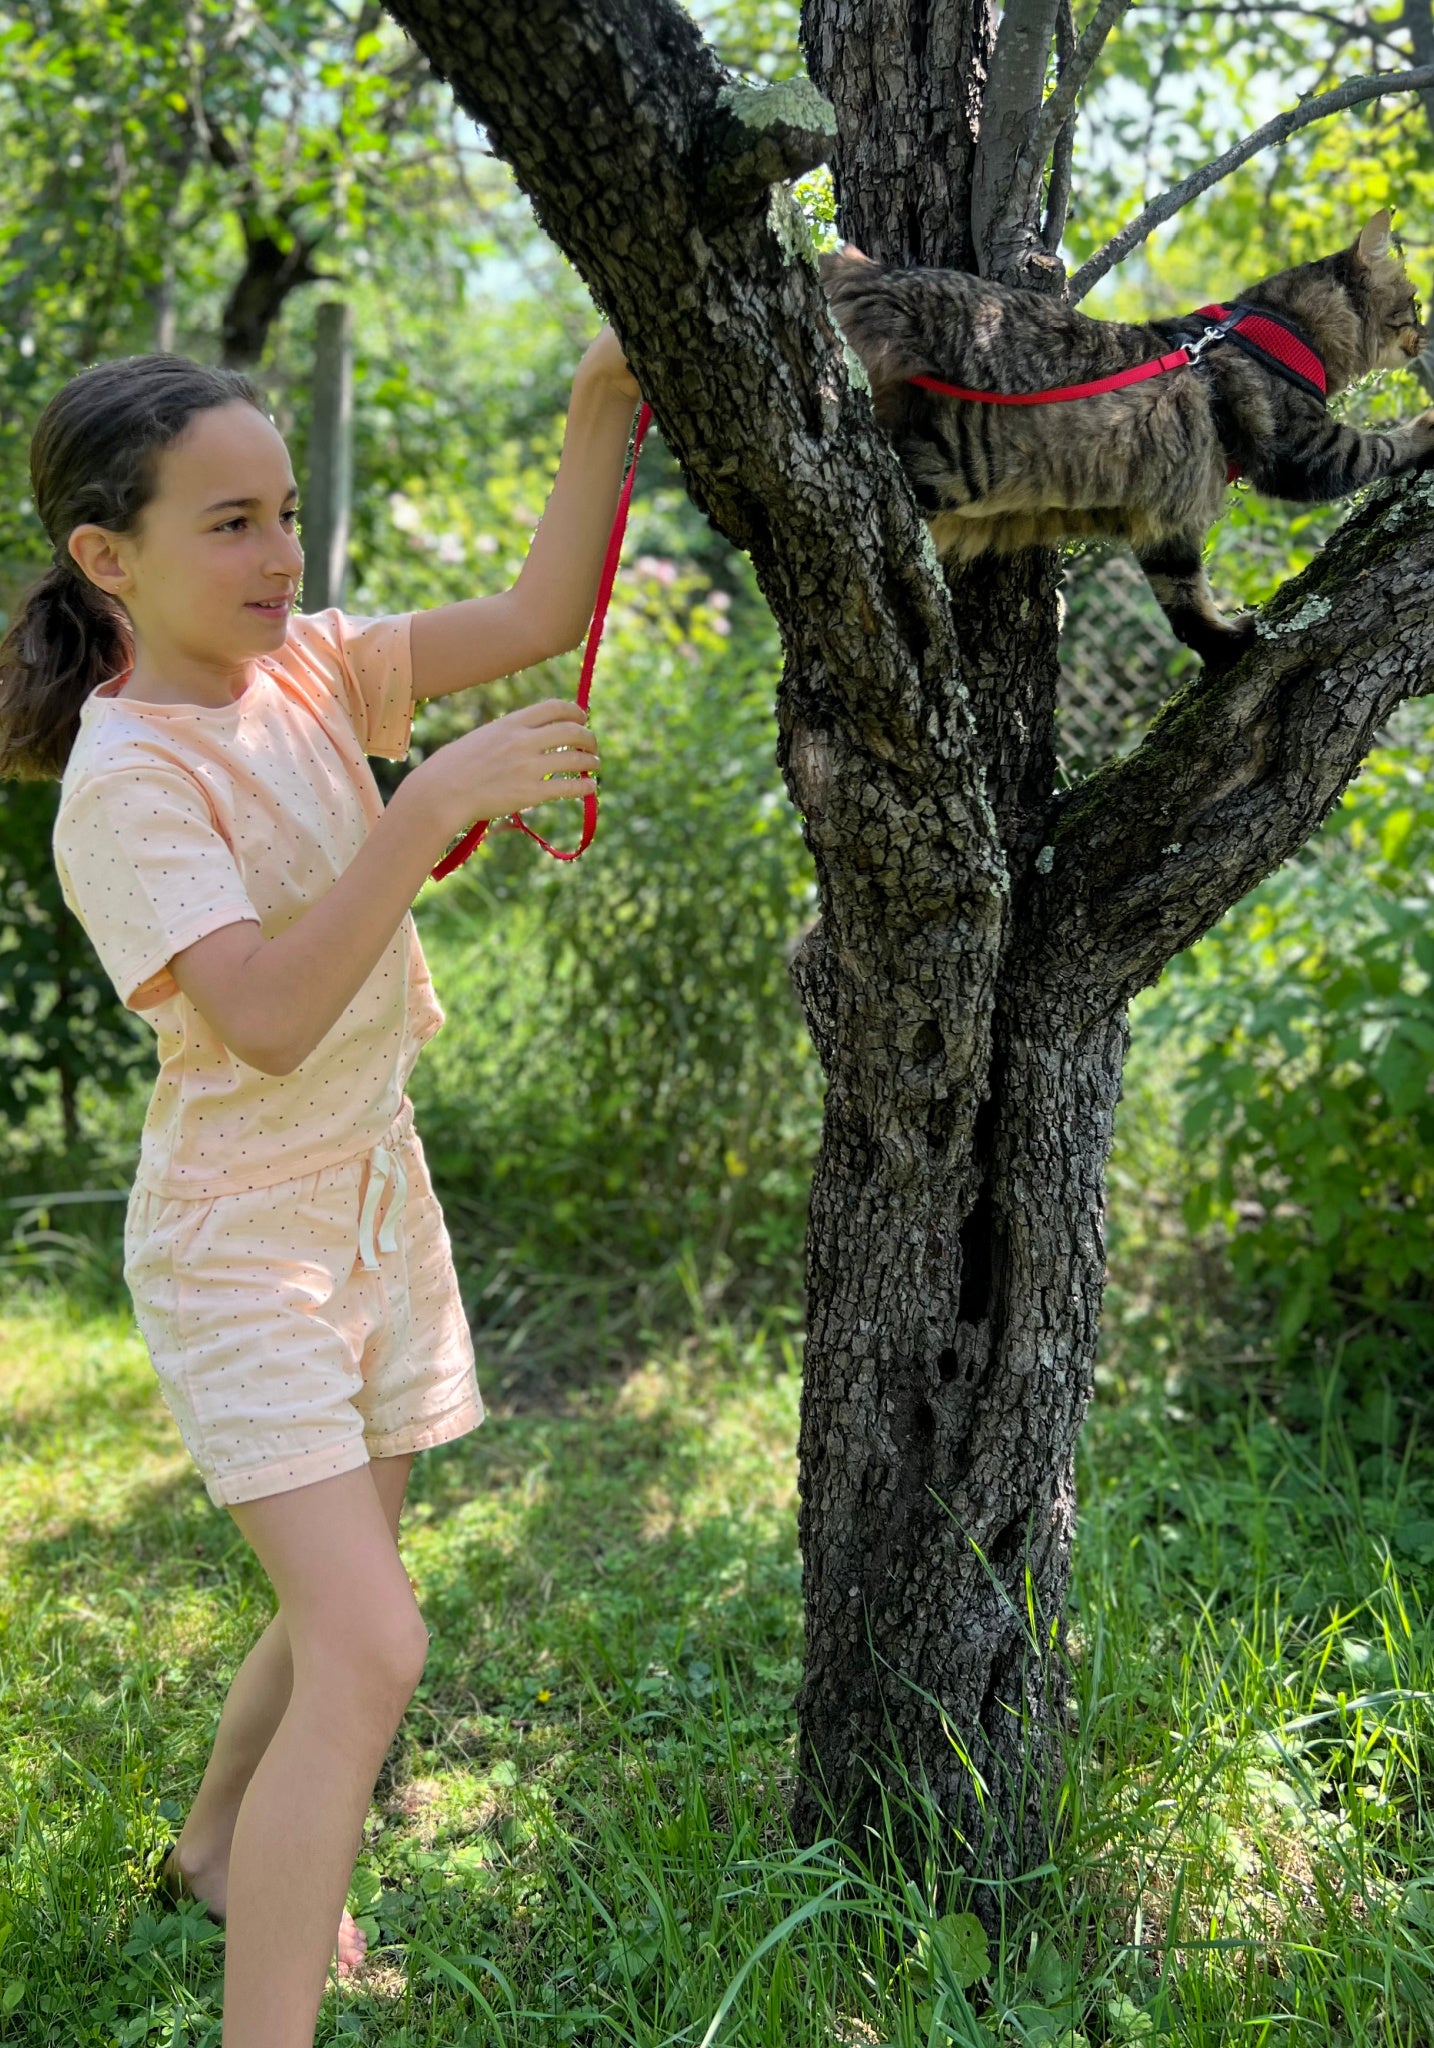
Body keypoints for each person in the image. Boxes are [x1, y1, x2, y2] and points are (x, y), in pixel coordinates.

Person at [0, 330, 642, 2043]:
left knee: (335, 1591)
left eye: (283, 512)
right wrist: (418, 804)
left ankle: (220, 1845)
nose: (281, 554)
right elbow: (270, 1020)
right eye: (228, 522)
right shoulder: (127, 785)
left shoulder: (304, 670)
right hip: (240, 1241)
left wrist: (595, 404)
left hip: (371, 1194)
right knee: (371, 1647)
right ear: (106, 557)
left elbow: (522, 619)